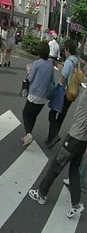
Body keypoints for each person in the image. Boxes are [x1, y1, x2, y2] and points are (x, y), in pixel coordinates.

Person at [29, 81, 87, 218]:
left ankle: (41, 194)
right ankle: (76, 204)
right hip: (82, 140)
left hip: (75, 138)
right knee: (74, 170)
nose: (85, 68)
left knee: (56, 165)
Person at [46, 39, 80, 149]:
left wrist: (60, 68)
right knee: (61, 116)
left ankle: (53, 136)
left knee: (52, 113)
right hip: (72, 93)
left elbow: (63, 78)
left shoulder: (69, 62)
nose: (64, 51)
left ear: (68, 50)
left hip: (64, 92)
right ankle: (52, 138)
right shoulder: (77, 62)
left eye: (65, 49)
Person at [22, 42, 55, 147]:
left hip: (34, 94)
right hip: (43, 97)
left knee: (26, 113)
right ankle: (28, 135)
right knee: (34, 115)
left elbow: (30, 79)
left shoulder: (36, 64)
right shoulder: (50, 65)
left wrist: (28, 70)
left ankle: (28, 134)